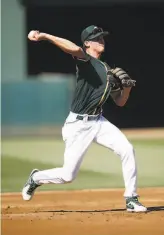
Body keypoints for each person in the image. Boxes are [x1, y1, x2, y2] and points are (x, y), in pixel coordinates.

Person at [22, 25, 147, 212]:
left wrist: (126, 89)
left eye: (102, 38)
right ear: (87, 43)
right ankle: (36, 178)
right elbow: (73, 49)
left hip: (98, 121)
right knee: (67, 175)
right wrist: (44, 36)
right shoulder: (85, 61)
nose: (101, 41)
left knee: (127, 149)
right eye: (96, 38)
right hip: (78, 125)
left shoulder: (107, 70)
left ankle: (131, 198)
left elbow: (120, 102)